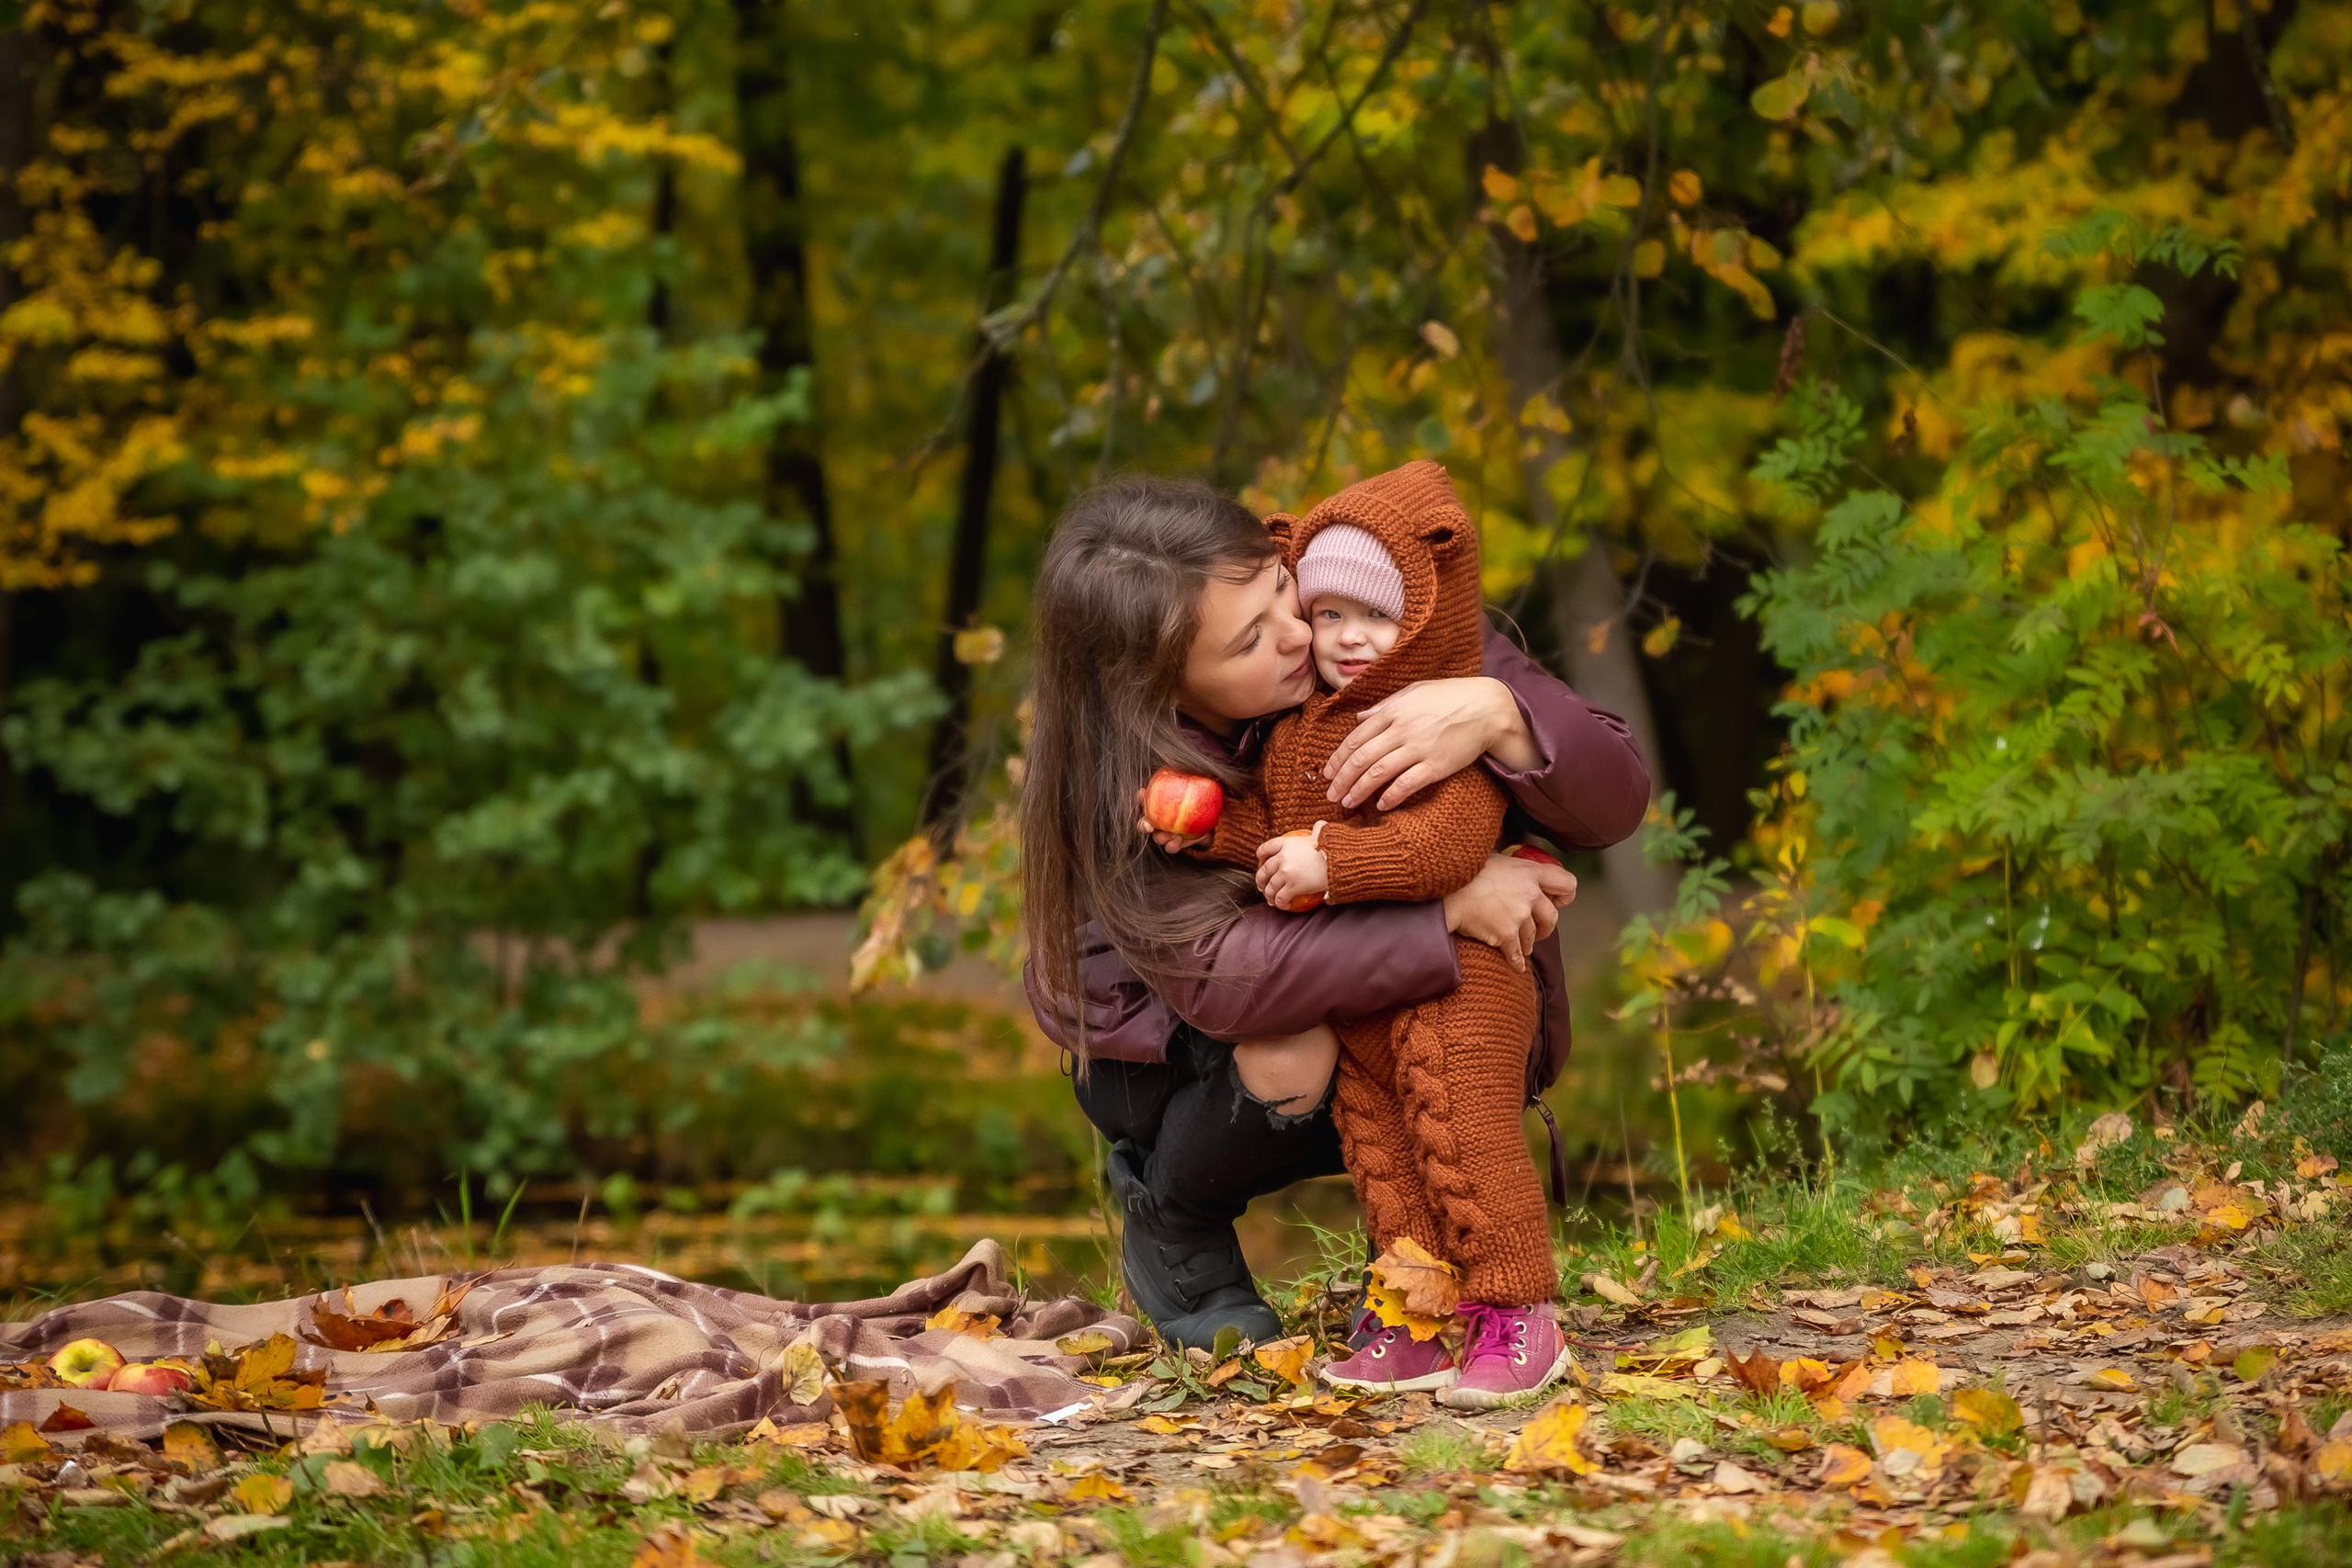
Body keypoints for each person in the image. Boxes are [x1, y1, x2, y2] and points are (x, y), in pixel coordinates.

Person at [1018, 474, 1649, 1353]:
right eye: (1248, 641)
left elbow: (1618, 800)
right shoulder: (1132, 772)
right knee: (1298, 1046)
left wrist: (1498, 713)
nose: (1299, 634)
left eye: (1282, 589)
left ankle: (1427, 1274)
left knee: (1434, 1050)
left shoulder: (1368, 606)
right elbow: (1233, 979)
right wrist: (1449, 903)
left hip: (1372, 984)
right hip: (1167, 1049)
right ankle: (1177, 1211)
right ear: (1163, 685)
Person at [1182, 461, 1562, 1407]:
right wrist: (1206, 831)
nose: (1349, 639)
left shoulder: (1432, 716)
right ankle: (1414, 1313)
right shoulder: (1300, 727)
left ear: (1424, 619)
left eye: (1377, 618)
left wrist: (1334, 869)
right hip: (1366, 989)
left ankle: (1519, 1314)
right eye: (1328, 615)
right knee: (1386, 1156)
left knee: (1468, 1142)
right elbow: (1279, 830)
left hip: (1463, 980)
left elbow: (1447, 843)